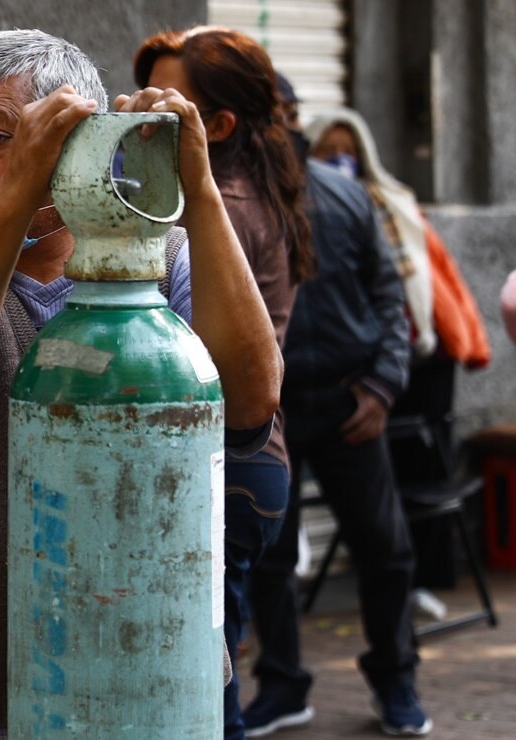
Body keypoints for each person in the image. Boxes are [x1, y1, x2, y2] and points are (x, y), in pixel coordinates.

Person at [0, 28, 282, 736]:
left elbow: (248, 400)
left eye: (0, 138)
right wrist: (19, 189)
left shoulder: (166, 258)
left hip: (149, 669)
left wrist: (199, 190)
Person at [133, 28, 315, 740]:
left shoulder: (215, 212)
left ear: (217, 126)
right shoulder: (256, 191)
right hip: (249, 464)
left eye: (164, 107)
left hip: (223, 464)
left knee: (203, 696)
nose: (138, 116)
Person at [242, 83, 431, 737]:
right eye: (268, 116)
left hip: (351, 402)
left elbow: (389, 296)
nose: (280, 128)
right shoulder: (229, 201)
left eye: (287, 115)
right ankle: (282, 686)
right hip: (271, 407)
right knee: (268, 553)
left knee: (384, 549)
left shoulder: (346, 195)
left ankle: (396, 680)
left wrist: (382, 386)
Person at [308, 108, 491, 371]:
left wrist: (471, 341)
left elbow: (440, 271)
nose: (340, 158)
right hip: (357, 354)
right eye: (328, 149)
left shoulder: (395, 204)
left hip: (421, 346)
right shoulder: (302, 212)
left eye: (349, 151)